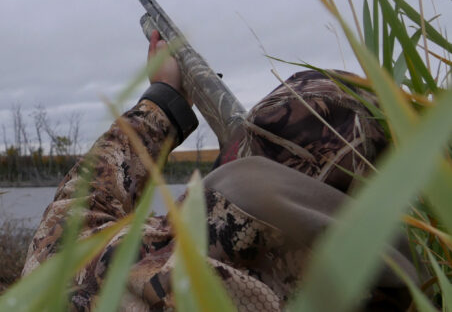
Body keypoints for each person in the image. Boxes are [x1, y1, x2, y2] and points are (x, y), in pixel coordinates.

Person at [22, 31, 416, 310]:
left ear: (239, 164)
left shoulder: (186, 280)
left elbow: (58, 250)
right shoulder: (412, 289)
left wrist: (161, 104)